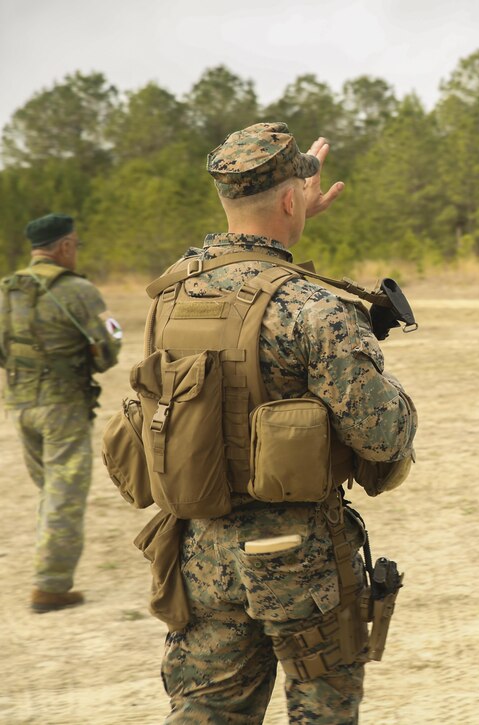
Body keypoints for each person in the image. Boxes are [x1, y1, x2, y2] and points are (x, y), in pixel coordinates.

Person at [147, 123, 417, 723]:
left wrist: (285, 216)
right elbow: (383, 434)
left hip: (199, 554)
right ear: (293, 199)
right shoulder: (313, 307)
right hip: (303, 561)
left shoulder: (172, 295)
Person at [0, 213, 122, 612]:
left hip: (21, 405)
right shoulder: (78, 290)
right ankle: (50, 586)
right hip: (63, 407)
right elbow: (107, 349)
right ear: (66, 246)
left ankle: (50, 572)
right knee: (63, 495)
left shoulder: (8, 289)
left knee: (50, 490)